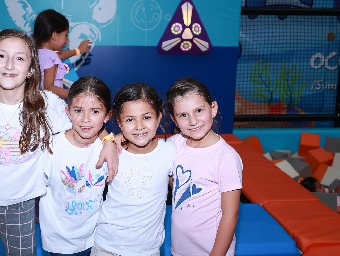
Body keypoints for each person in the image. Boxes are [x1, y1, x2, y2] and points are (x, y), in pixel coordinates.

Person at [0, 29, 116, 256]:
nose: (9, 64)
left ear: (30, 70)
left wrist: (108, 139)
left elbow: (84, 120)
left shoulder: (47, 105)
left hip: (21, 207)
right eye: (1, 56)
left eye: (19, 58)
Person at [92, 83, 176, 256]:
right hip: (106, 246)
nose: (139, 126)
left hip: (147, 250)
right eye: (130, 119)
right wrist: (108, 139)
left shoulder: (170, 150)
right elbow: (84, 127)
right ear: (119, 123)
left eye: (146, 117)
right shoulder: (112, 151)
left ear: (158, 117)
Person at [165, 77, 243, 256]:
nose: (193, 121)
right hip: (180, 249)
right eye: (183, 115)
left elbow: (230, 215)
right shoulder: (174, 145)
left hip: (211, 250)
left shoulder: (226, 157)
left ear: (213, 108)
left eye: (199, 110)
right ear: (174, 120)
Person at [39, 76, 112, 256]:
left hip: (95, 238)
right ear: (68, 112)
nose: (85, 119)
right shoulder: (51, 147)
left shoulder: (108, 149)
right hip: (59, 242)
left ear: (108, 115)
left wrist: (111, 140)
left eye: (95, 111)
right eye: (78, 110)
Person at [33, 9, 92, 99]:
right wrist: (76, 96)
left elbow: (59, 56)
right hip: (51, 104)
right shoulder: (50, 56)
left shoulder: (39, 52)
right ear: (55, 35)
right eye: (66, 35)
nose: (67, 40)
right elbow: (48, 87)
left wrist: (78, 51)